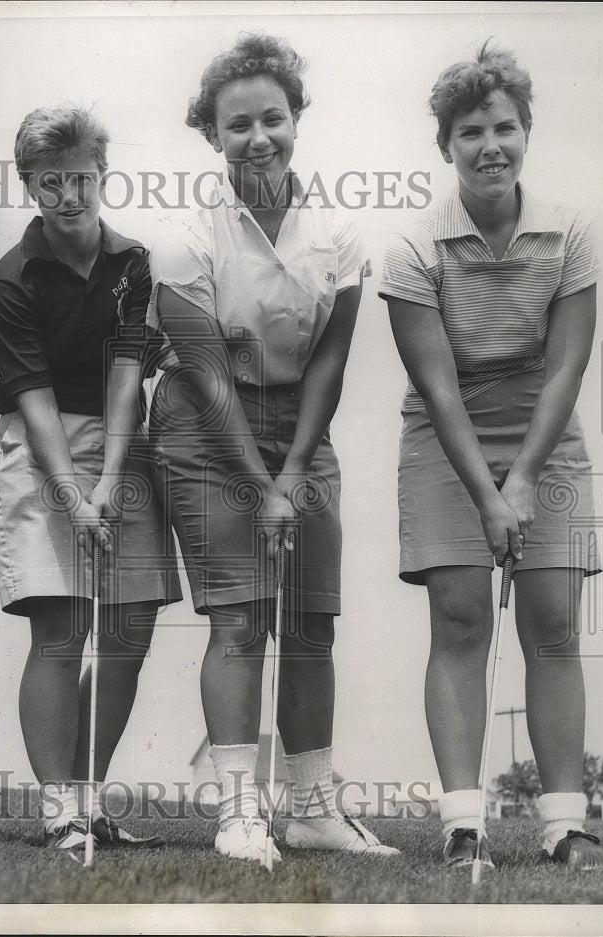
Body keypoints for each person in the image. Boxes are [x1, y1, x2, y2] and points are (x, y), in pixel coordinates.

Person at [147, 33, 400, 862]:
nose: (259, 138)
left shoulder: (340, 230)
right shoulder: (186, 235)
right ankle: (238, 812)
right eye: (238, 125)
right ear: (211, 135)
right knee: (241, 615)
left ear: (297, 120)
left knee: (312, 616)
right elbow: (209, 376)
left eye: (273, 119)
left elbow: (329, 358)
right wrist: (264, 485)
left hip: (301, 427)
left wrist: (293, 470)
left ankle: (314, 809)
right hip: (205, 425)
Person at [379, 42, 603, 870]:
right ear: (446, 144)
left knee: (552, 624)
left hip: (544, 437)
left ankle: (563, 824)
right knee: (462, 619)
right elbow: (438, 389)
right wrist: (488, 493)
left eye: (505, 128)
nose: (490, 147)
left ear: (527, 132)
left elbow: (566, 368)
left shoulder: (571, 233)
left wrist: (520, 482)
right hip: (448, 440)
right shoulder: (413, 247)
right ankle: (463, 823)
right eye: (470, 131)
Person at [0, 105, 181, 852]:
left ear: (103, 174)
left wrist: (111, 479)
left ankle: (91, 800)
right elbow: (30, 396)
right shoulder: (9, 280)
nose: (70, 194)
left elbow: (128, 371)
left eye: (82, 178)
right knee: (62, 628)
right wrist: (72, 492)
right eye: (51, 181)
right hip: (41, 444)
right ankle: (58, 809)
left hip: (117, 439)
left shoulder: (133, 260)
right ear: (31, 185)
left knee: (129, 627)